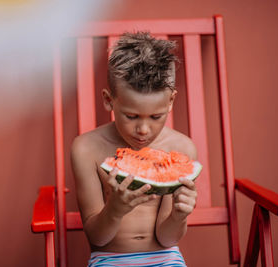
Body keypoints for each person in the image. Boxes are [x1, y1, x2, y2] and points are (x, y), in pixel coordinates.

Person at [71, 32, 198, 267]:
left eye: (156, 116)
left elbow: (167, 237)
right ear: (109, 100)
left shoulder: (181, 149)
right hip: (108, 259)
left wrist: (180, 216)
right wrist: (115, 210)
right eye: (131, 116)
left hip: (165, 258)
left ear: (171, 101)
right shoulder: (86, 149)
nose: (143, 129)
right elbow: (96, 238)